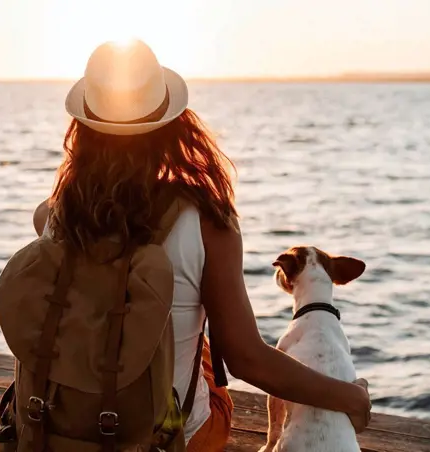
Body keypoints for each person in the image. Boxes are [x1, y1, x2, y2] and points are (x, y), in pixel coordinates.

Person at [31, 39, 371, 451]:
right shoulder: (209, 223)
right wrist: (351, 396)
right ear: (171, 126)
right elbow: (246, 359)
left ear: (83, 129)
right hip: (168, 437)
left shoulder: (58, 214)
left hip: (62, 425)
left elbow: (46, 216)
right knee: (203, 346)